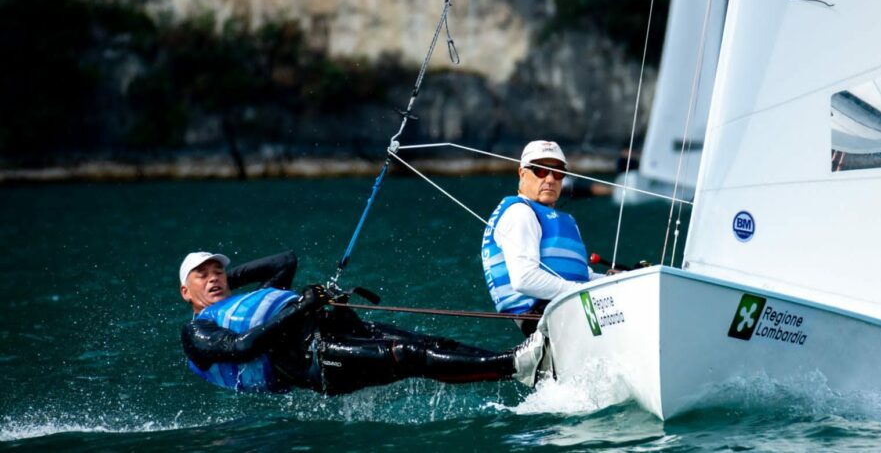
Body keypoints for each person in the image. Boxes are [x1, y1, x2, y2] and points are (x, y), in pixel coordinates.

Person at [179, 250, 544, 394]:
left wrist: (227, 277)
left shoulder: (243, 299)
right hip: (310, 362)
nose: (214, 279)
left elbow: (285, 262)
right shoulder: (197, 331)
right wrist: (301, 308)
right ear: (185, 292)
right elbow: (243, 347)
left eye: (218, 272)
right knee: (407, 354)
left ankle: (519, 362)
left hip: (332, 330)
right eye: (202, 276)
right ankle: (513, 365)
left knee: (428, 345)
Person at [481, 140, 605, 336]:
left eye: (557, 173)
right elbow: (524, 279)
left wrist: (618, 280)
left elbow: (583, 275)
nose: (549, 179)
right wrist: (582, 292)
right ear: (522, 173)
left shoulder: (561, 219)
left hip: (571, 309)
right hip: (545, 321)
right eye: (540, 171)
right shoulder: (520, 214)